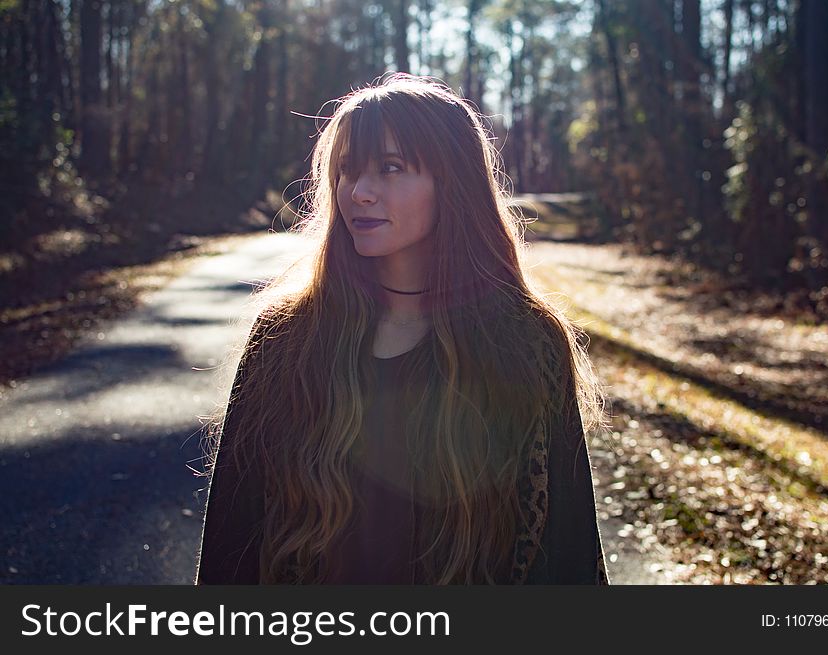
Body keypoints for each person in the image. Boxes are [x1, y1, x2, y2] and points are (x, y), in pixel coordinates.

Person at [195, 73, 610, 585]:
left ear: (453, 183)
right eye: (347, 171)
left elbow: (567, 549)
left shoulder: (525, 341)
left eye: (390, 168)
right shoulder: (286, 339)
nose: (359, 193)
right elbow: (230, 540)